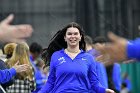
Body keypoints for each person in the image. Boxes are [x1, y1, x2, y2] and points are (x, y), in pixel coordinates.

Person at [38, 22, 114, 93]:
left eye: (75, 34)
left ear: (80, 37)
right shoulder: (56, 56)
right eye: (69, 34)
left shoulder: (89, 58)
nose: (73, 36)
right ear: (65, 37)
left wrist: (104, 90)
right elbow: (50, 82)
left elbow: (94, 83)